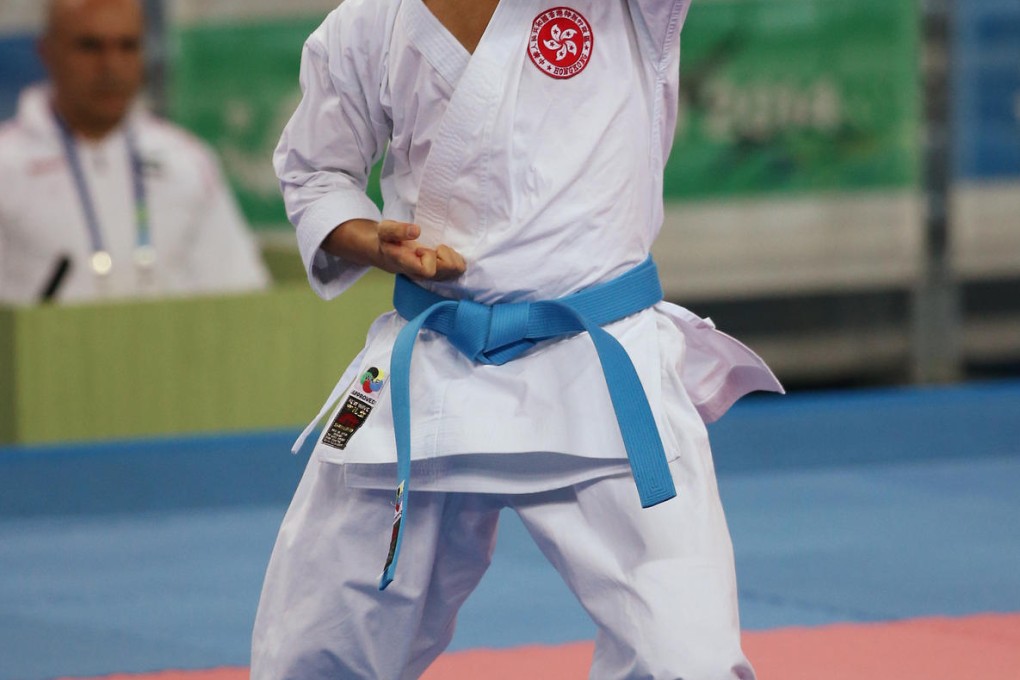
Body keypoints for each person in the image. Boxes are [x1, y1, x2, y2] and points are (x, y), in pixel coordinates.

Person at [253, 1, 783, 678]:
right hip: (430, 361)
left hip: (599, 366)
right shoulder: (370, 21)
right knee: (311, 645)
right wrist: (370, 241)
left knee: (688, 659)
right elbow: (315, 171)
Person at [0, 0, 270, 305]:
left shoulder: (187, 161)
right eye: (90, 46)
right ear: (47, 51)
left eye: (127, 46)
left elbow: (240, 290)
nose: (111, 66)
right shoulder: (7, 165)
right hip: (38, 350)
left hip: (167, 349)